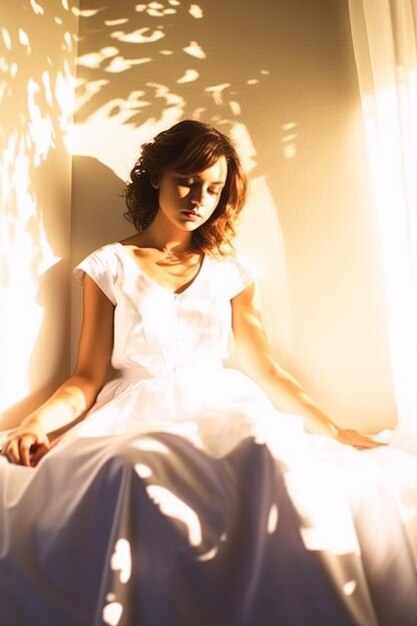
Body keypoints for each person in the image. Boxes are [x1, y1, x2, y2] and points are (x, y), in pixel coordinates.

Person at [0, 119, 379, 467]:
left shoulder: (231, 271)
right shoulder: (108, 267)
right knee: (133, 468)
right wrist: (34, 424)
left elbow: (266, 368)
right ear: (156, 178)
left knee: (259, 456)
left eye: (213, 189)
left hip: (222, 407)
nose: (199, 199)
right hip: (135, 413)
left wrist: (333, 431)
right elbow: (86, 377)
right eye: (187, 181)